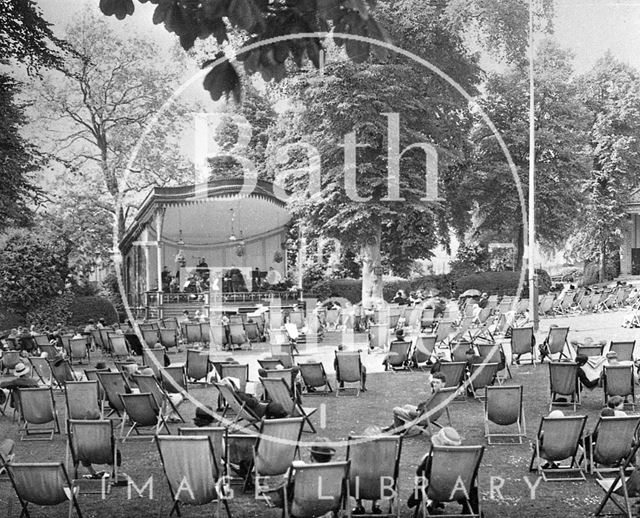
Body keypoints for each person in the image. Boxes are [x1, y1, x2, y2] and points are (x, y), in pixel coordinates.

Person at [407, 427, 476, 515]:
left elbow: (419, 473)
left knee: (427, 480)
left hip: (435, 491)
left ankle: (428, 506)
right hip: (460, 490)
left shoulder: (431, 458)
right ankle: (472, 509)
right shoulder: (465, 460)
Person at [219, 377, 288, 419]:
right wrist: (254, 398)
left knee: (272, 403)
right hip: (259, 410)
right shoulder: (239, 395)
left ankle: (278, 415)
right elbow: (253, 403)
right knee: (276, 405)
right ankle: (282, 415)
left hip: (254, 410)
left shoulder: (234, 395)